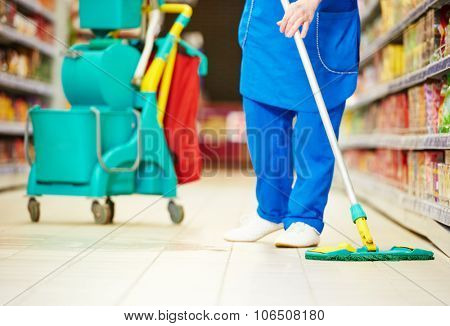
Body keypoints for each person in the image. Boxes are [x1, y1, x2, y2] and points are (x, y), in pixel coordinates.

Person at [224, 0, 361, 247]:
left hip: (321, 28)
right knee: (264, 127)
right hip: (267, 27)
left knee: (315, 135)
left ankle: (305, 218)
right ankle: (270, 211)